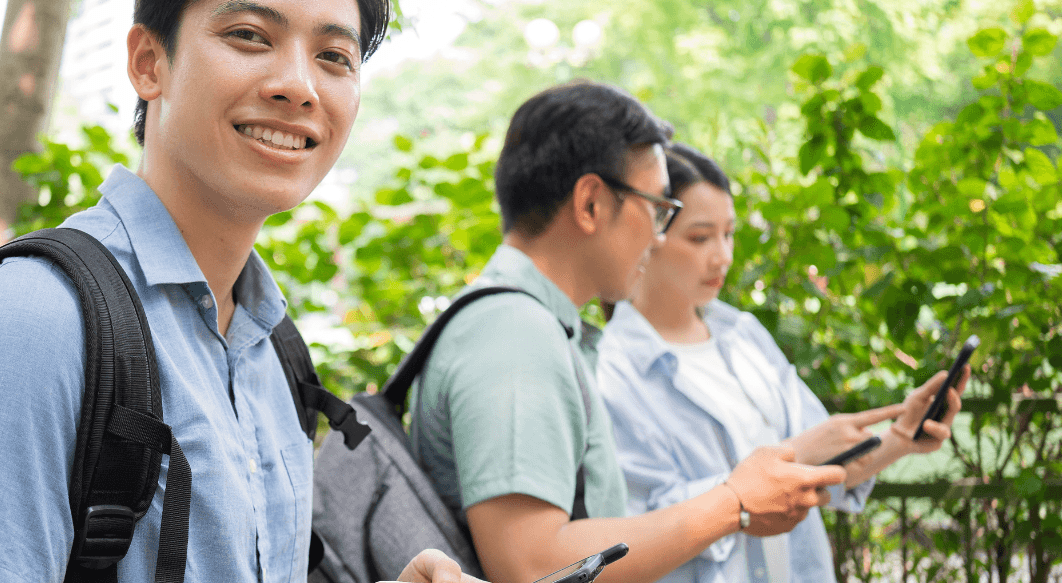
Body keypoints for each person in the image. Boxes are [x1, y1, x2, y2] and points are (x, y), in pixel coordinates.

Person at [0, 0, 478, 583]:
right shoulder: (32, 319)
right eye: (250, 35)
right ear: (148, 62)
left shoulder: (271, 351)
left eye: (334, 57)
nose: (297, 84)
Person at [409, 81, 849, 583]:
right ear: (591, 203)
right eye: (658, 208)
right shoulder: (516, 336)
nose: (659, 236)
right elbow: (530, 565)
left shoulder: (525, 326)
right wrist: (733, 503)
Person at [594, 142, 967, 583]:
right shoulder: (613, 370)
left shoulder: (744, 335)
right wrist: (781, 467)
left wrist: (900, 438)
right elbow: (639, 524)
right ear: (648, 236)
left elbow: (824, 471)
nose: (723, 256)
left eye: (729, 233)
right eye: (700, 237)